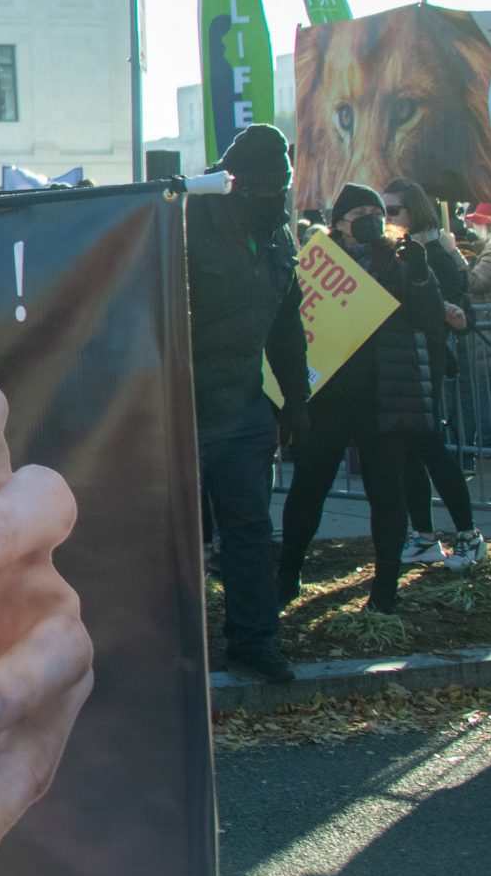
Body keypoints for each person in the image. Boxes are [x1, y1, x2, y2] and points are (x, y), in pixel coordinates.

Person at [278, 184, 447, 612]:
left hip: (383, 399)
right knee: (308, 491)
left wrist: (423, 277)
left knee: (387, 494)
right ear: (338, 223)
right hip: (328, 399)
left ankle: (385, 589)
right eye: (360, 213)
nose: (372, 218)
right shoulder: (315, 264)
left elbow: (430, 320)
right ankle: (287, 575)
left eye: (378, 211)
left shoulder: (403, 259)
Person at [183, 123, 308, 683]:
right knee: (174, 540)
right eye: (264, 188)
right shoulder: (185, 223)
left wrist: (298, 401)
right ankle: (168, 649)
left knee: (250, 531)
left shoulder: (279, 236)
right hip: (179, 406)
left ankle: (254, 642)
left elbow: (286, 324)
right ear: (235, 183)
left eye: (280, 188)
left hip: (244, 407)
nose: (274, 198)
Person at [385, 180, 485, 572]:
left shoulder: (438, 252)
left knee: (429, 447)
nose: (387, 218)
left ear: (416, 211)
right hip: (405, 361)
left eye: (394, 211)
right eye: (384, 210)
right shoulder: (397, 250)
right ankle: (425, 537)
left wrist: (448, 312)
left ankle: (467, 535)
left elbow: (463, 314)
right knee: (411, 450)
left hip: (428, 362)